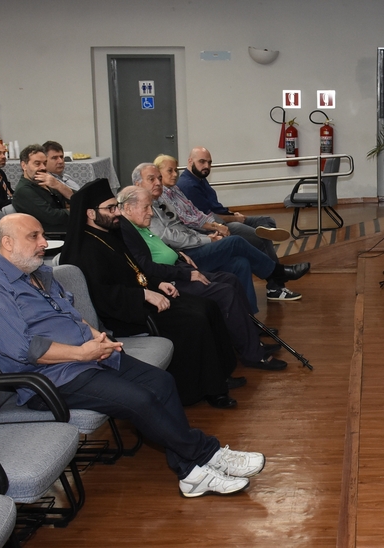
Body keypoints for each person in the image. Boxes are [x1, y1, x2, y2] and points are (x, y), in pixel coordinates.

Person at [0, 213, 266, 497]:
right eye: (34, 236)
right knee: (141, 400)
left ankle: (191, 473)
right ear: (8, 243)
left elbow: (70, 315)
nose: (44, 242)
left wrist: (96, 338)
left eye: (42, 235)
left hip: (90, 355)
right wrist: (82, 353)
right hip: (52, 379)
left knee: (161, 382)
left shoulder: (39, 273)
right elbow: (26, 350)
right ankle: (206, 454)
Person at [60, 180, 244, 408]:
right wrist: (144, 295)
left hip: (141, 297)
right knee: (193, 320)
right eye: (111, 208)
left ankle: (220, 376)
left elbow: (136, 271)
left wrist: (158, 284)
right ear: (90, 213)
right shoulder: (84, 250)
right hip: (124, 313)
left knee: (207, 305)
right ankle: (207, 391)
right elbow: (102, 295)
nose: (117, 212)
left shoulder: (110, 233)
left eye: (115, 206)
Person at [116, 184, 287, 371]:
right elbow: (146, 267)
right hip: (168, 281)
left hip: (178, 267)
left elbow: (160, 248)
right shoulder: (126, 231)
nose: (151, 212)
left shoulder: (138, 225)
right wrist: (186, 273)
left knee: (231, 279)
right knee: (225, 291)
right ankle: (252, 354)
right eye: (146, 207)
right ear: (128, 208)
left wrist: (178, 254)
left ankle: (251, 338)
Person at [132, 163, 309, 312]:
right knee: (235, 241)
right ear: (138, 184)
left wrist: (209, 234)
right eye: (152, 179)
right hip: (182, 259)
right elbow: (169, 237)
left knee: (241, 263)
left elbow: (184, 226)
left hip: (192, 247)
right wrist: (208, 239)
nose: (158, 183)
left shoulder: (161, 200)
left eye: (159, 178)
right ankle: (276, 273)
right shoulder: (142, 209)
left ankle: (250, 322)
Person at [176, 146, 289, 242]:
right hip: (218, 225)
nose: (207, 166)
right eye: (202, 161)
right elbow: (208, 218)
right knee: (259, 237)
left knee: (267, 221)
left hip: (224, 217)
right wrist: (235, 219)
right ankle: (268, 256)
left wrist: (233, 214)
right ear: (190, 161)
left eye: (209, 162)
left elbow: (215, 207)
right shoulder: (189, 186)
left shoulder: (199, 177)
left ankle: (262, 246)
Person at [12, 145, 73, 233]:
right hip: (52, 234)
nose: (43, 167)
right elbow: (53, 217)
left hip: (68, 227)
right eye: (37, 164)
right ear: (24, 165)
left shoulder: (46, 182)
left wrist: (58, 185)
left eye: (45, 163)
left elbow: (78, 199)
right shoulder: (23, 191)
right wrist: (76, 210)